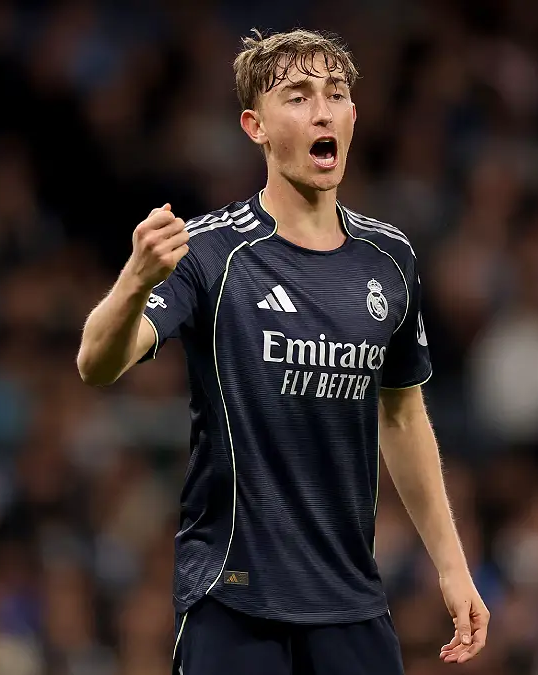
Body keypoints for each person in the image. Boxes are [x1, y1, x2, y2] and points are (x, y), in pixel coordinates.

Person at [76, 28, 488, 674]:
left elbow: (402, 414)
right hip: (234, 601)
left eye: (335, 94)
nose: (321, 110)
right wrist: (133, 279)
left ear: (353, 117)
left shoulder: (390, 258)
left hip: (352, 602)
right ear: (255, 125)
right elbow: (97, 363)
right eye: (296, 96)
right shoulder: (209, 252)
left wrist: (452, 567)